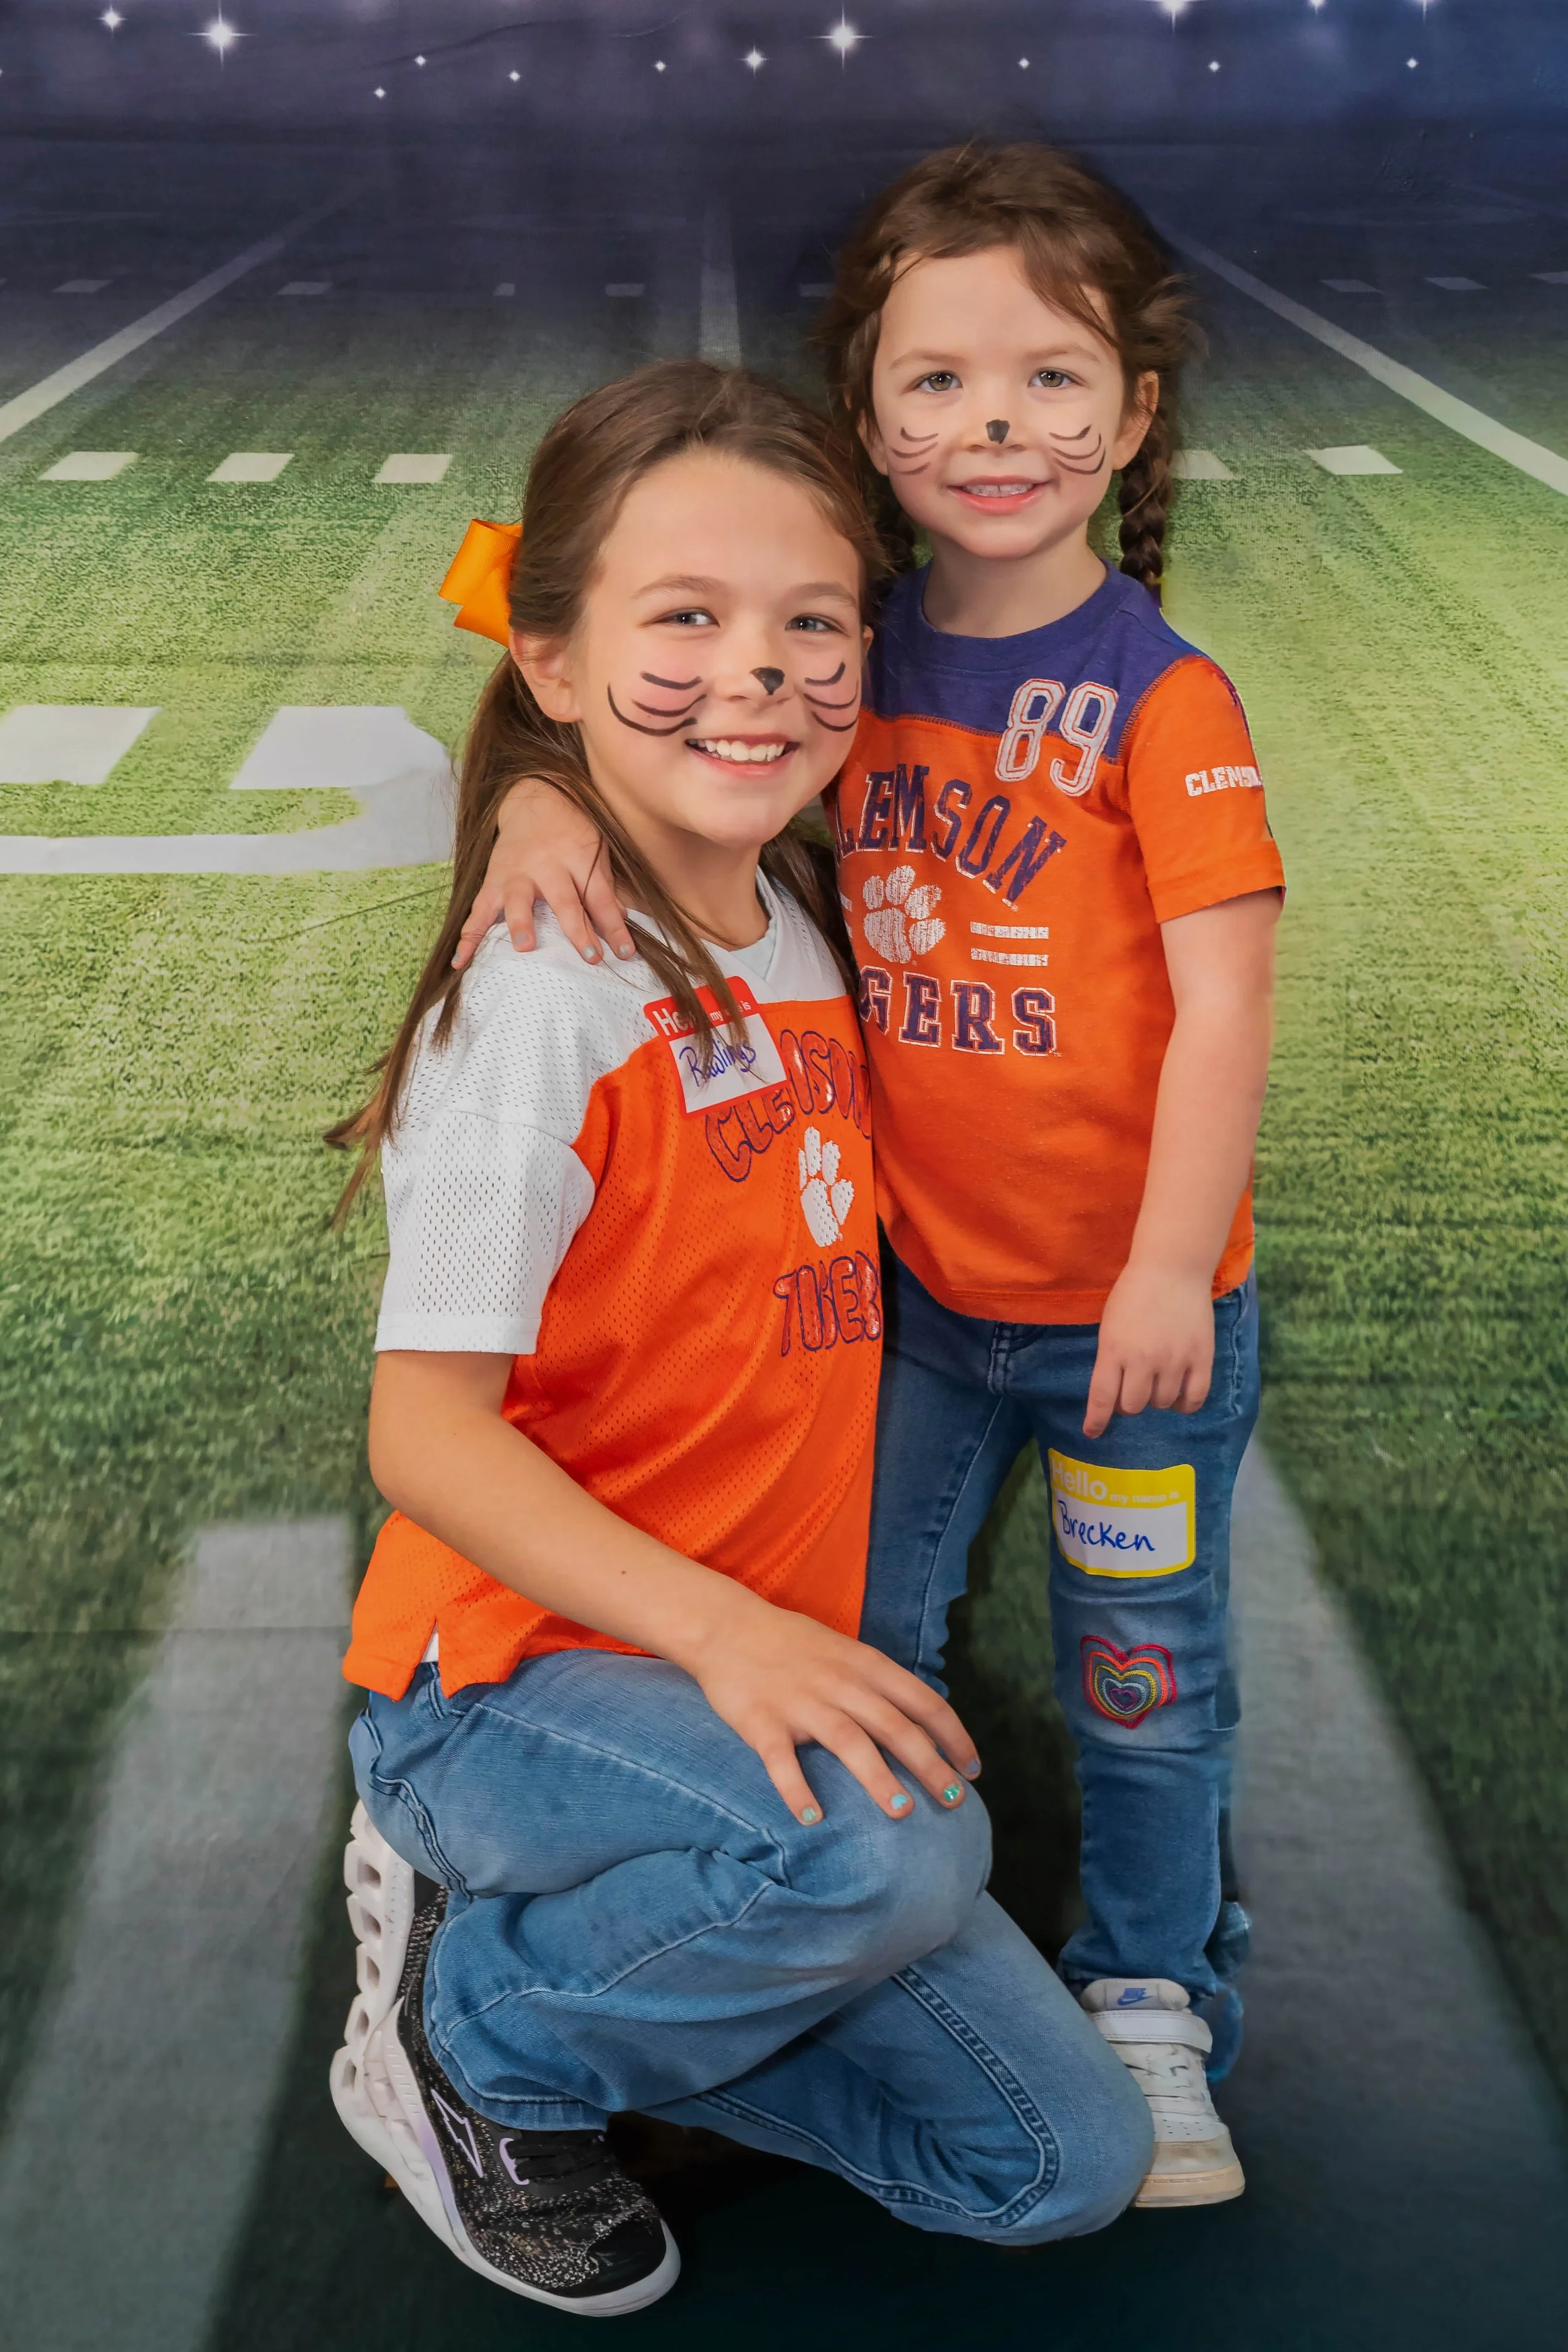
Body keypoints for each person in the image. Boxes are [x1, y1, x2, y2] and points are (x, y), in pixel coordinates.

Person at [453, 147, 1285, 2210]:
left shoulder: (1166, 704)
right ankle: (799, 1949)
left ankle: (1155, 1999)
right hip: (915, 1305)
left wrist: (1170, 1265)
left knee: (1140, 1683)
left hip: (1127, 1331)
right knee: (854, 1642)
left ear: (1135, 413)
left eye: (1044, 379)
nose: (990, 427)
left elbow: (1224, 1003)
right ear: (864, 415)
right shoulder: (848, 641)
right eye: (933, 383)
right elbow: (527, 610)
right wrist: (537, 806)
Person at [326, 358, 1152, 2319]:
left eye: (813, 627)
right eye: (684, 622)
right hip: (501, 1689)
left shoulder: (799, 907)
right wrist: (719, 1628)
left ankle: (654, 2003)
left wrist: (562, 766)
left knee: (1054, 2169)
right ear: (553, 654)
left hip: (724, 1710)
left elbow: (701, 682)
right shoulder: (542, 995)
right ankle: (481, 2031)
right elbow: (425, 1439)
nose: (757, 675)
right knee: (889, 1854)